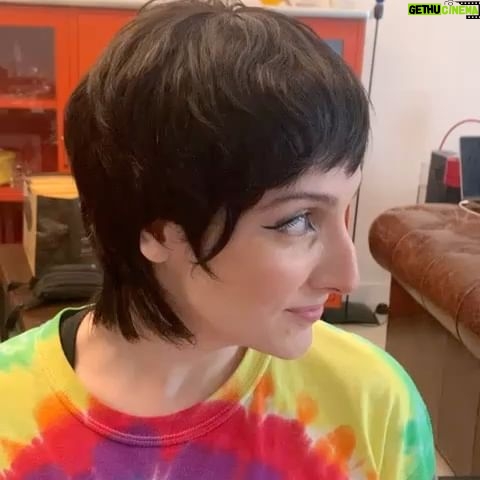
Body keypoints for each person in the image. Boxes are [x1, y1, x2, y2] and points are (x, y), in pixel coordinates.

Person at [0, 1, 436, 478]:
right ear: (156, 230)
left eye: (344, 207)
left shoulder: (373, 402)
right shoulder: (11, 412)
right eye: (297, 220)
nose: (347, 276)